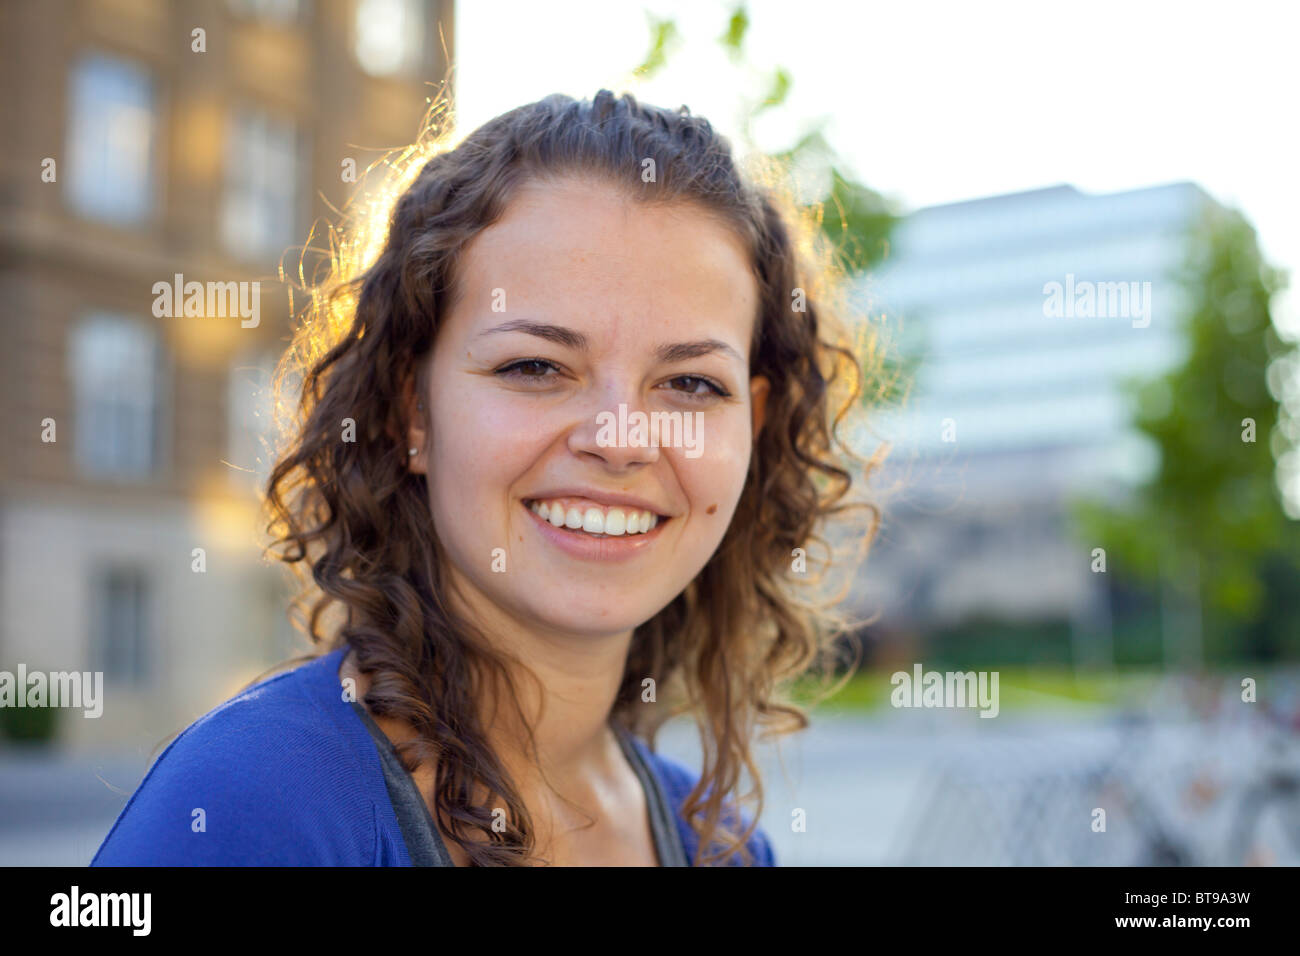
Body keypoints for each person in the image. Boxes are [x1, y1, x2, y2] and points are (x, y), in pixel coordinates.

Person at [92, 89, 878, 867]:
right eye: (535, 366)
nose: (619, 440)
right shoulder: (259, 804)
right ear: (413, 412)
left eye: (691, 384)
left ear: (756, 422)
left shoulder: (725, 848)